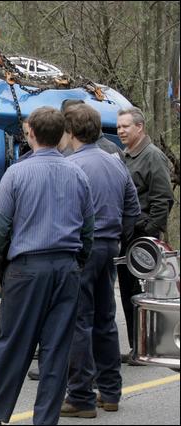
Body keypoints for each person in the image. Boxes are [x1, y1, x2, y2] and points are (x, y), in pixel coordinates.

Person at [0, 107, 94, 425]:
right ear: (62, 134)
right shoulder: (78, 174)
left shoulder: (17, 174)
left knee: (13, 342)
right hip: (66, 269)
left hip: (27, 269)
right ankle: (45, 420)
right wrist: (78, 260)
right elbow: (88, 227)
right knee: (56, 348)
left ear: (30, 133)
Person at [57, 104, 140, 418]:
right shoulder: (115, 162)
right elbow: (132, 208)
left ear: (71, 132)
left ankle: (80, 396)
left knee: (79, 321)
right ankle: (111, 391)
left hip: (81, 249)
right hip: (109, 247)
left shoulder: (70, 165)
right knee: (105, 319)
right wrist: (118, 235)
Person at [116, 106, 174, 362]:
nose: (120, 131)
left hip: (142, 240)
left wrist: (147, 234)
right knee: (129, 295)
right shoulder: (125, 157)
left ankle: (145, 348)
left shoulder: (153, 156)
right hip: (125, 237)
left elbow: (163, 199)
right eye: (118, 127)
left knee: (142, 296)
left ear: (139, 127)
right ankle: (135, 347)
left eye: (125, 126)